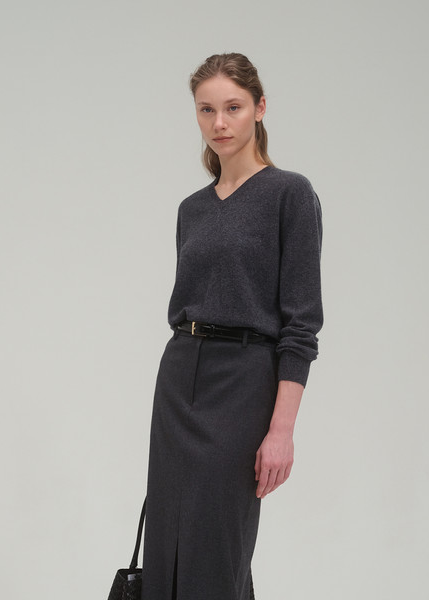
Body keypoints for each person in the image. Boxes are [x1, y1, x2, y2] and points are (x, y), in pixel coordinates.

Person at [141, 53, 323, 600]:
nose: (219, 123)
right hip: (179, 377)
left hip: (244, 381)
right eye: (206, 110)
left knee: (218, 548)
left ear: (260, 108)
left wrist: (281, 430)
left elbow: (301, 325)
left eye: (233, 108)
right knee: (167, 543)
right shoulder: (191, 209)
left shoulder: (290, 194)